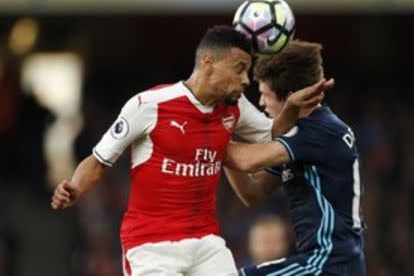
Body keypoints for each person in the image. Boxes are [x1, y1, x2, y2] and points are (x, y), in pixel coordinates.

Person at [50, 26, 333, 276]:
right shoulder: (149, 105)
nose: (246, 80)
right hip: (151, 245)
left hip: (206, 242)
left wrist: (292, 108)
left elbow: (272, 134)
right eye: (239, 68)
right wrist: (74, 187)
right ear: (208, 63)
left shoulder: (234, 108)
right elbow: (98, 161)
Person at [224, 40, 366, 276]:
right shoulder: (304, 135)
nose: (261, 103)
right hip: (330, 263)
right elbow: (253, 193)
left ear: (291, 97)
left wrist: (214, 126)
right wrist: (222, 135)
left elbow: (244, 161)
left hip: (326, 264)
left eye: (264, 95)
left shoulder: (317, 131)